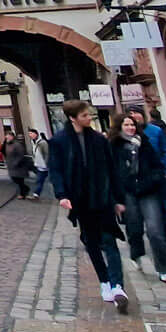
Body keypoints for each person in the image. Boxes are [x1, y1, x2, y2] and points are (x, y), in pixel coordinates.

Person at [48, 100, 129, 313]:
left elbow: (111, 170)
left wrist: (118, 199)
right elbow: (55, 170)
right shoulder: (59, 141)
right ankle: (104, 281)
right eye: (84, 115)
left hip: (102, 196)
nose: (89, 118)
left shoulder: (99, 140)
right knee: (92, 241)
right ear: (73, 117)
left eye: (89, 114)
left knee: (109, 239)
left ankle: (117, 285)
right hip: (80, 198)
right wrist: (62, 195)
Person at [111, 112, 166, 281]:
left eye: (132, 125)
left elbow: (157, 165)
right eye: (126, 125)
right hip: (127, 192)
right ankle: (136, 254)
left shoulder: (144, 143)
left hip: (148, 190)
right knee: (134, 228)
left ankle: (163, 269)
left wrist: (156, 178)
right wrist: (116, 197)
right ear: (119, 127)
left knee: (155, 230)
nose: (131, 128)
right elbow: (110, 172)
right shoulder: (113, 146)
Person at [3, 127, 38, 199]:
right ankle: (24, 190)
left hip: (19, 166)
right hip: (11, 165)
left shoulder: (17, 144)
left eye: (8, 136)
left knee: (19, 180)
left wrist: (16, 162)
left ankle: (23, 193)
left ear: (12, 136)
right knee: (15, 179)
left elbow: (21, 154)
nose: (7, 137)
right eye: (6, 136)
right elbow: (4, 152)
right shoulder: (7, 144)